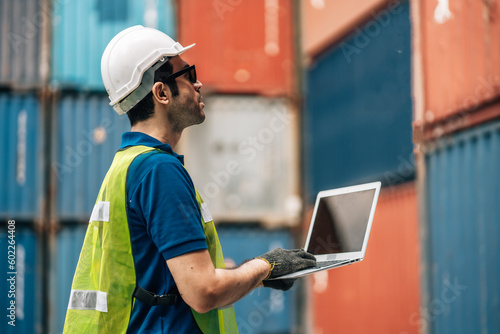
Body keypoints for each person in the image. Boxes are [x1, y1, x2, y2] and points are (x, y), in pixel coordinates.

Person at [63, 25, 316, 334]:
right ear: (161, 92)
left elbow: (161, 277)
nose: (198, 83)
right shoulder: (158, 170)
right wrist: (267, 265)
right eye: (188, 73)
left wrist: (248, 276)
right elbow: (202, 291)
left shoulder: (126, 164)